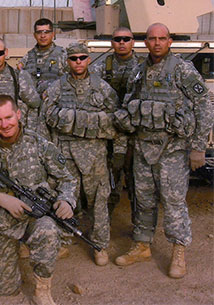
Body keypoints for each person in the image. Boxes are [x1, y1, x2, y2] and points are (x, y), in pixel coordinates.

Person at [113, 23, 213, 278]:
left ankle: (178, 251)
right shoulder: (137, 72)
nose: (156, 43)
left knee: (173, 202)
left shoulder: (182, 69)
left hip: (173, 149)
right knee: (143, 201)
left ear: (169, 41)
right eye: (151, 39)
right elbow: (129, 105)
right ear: (145, 42)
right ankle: (142, 245)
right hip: (144, 147)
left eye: (162, 38)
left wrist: (199, 147)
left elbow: (204, 107)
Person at [0, 95, 76, 304]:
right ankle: (10, 249)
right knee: (6, 290)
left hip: (33, 218)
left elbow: (67, 179)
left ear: (19, 114)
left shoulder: (39, 144)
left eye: (8, 117)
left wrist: (66, 200)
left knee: (49, 230)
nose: (4, 125)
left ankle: (42, 289)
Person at [42, 42, 120, 266]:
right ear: (67, 61)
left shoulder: (102, 87)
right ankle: (65, 240)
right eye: (73, 58)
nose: (78, 62)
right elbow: (46, 115)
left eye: (82, 57)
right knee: (65, 198)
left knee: (98, 200)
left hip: (95, 152)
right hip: (65, 152)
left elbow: (116, 119)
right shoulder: (57, 87)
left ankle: (100, 244)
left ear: (88, 59)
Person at [90, 27, 144, 217]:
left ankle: (139, 226)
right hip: (111, 131)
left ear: (133, 42)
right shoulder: (101, 66)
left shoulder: (143, 67)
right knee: (111, 175)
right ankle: (106, 221)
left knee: (137, 181)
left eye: (126, 39)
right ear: (112, 43)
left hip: (135, 133)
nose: (122, 43)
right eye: (117, 39)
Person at [17, 18, 67, 94]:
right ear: (34, 35)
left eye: (46, 32)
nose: (43, 36)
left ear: (53, 34)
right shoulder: (28, 57)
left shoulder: (63, 55)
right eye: (39, 32)